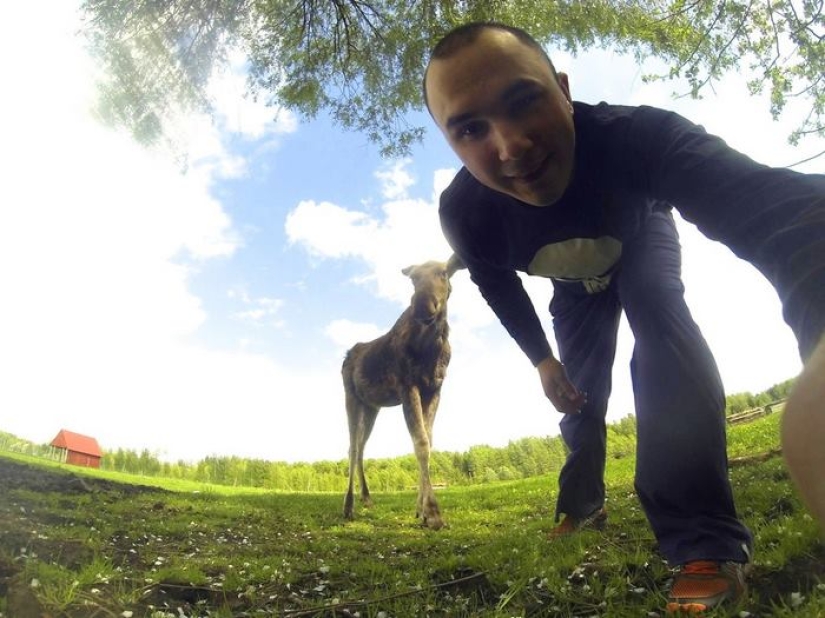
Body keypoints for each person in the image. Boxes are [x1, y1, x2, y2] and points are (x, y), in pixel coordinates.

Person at [422, 21, 825, 614]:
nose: (509, 147)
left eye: (524, 101)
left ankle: (703, 541)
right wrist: (542, 361)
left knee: (661, 324)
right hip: (572, 287)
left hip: (640, 242)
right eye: (471, 129)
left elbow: (776, 211)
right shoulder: (467, 215)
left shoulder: (637, 138)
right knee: (577, 393)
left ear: (562, 89)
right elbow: (497, 286)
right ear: (452, 143)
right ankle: (582, 504)